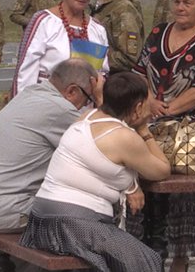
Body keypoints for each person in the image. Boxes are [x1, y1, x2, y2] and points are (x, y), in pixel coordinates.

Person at [18, 72, 171, 272]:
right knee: (147, 261)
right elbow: (162, 170)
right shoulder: (124, 137)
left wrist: (131, 185)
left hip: (42, 218)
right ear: (139, 107)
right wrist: (144, 130)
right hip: (74, 224)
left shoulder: (86, 117)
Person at [134, 0, 195, 272]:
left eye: (188, 3)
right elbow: (140, 71)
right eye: (177, 1)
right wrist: (150, 102)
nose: (180, 7)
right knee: (149, 187)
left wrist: (169, 108)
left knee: (184, 199)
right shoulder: (158, 32)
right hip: (150, 124)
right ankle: (145, 255)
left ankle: (180, 260)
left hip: (189, 129)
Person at [0, 58, 103, 233]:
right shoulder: (60, 109)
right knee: (91, 206)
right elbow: (105, 146)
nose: (85, 106)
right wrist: (101, 101)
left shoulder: (28, 94)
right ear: (72, 91)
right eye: (88, 99)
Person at [12, 0, 108, 97]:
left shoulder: (97, 29)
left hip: (86, 107)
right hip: (46, 103)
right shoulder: (44, 22)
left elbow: (102, 73)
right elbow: (25, 73)